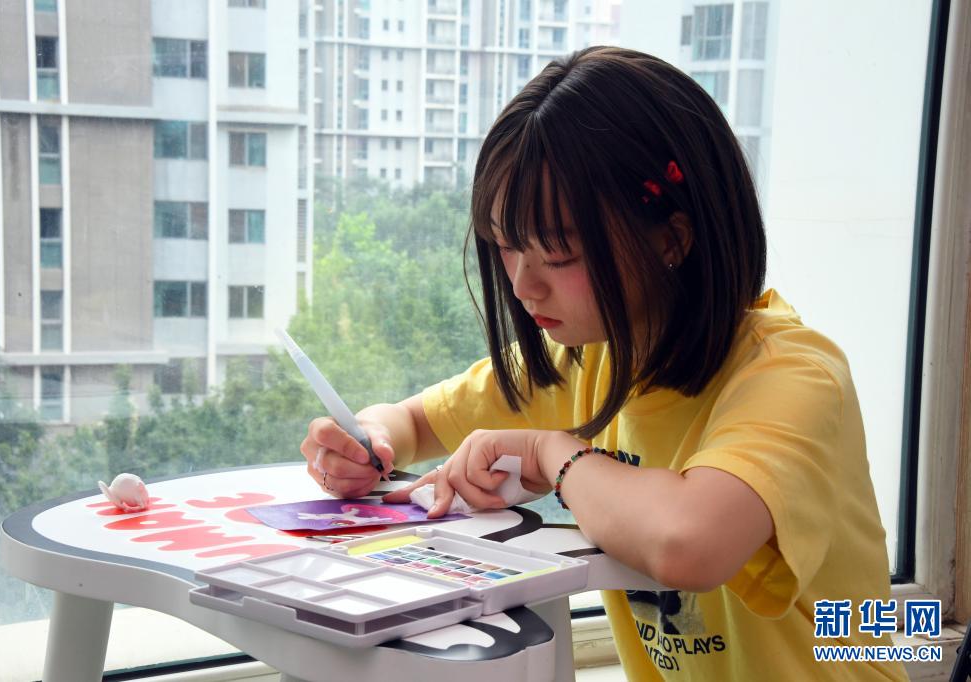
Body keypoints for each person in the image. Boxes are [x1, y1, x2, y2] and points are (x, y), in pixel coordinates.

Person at [299, 46, 907, 680]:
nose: (522, 285)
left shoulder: (793, 376)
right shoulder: (587, 357)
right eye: (506, 245)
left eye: (558, 255)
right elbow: (413, 422)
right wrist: (366, 444)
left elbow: (689, 542)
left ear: (671, 238)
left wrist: (551, 455)